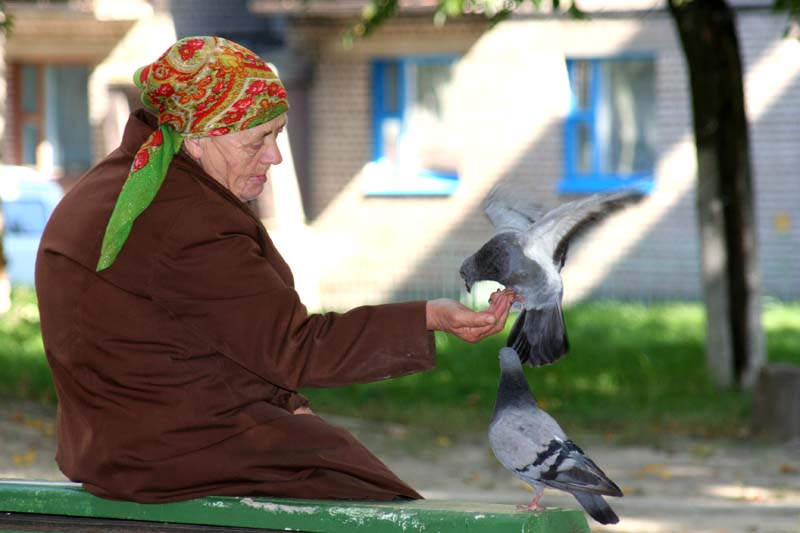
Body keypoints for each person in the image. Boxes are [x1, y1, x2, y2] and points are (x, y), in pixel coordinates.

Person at [35, 36, 515, 504]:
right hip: (176, 452)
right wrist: (429, 316)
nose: (275, 156)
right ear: (200, 137)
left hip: (112, 446)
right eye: (258, 139)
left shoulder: (111, 184)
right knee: (372, 494)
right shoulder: (189, 219)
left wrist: (284, 401)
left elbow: (184, 332)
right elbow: (293, 347)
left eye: (278, 134)